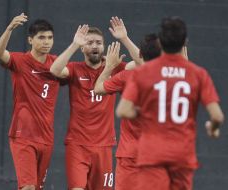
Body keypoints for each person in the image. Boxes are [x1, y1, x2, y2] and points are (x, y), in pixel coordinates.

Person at [116, 16, 224, 190]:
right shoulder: (198, 74)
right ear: (185, 42)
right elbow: (217, 115)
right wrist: (212, 128)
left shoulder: (144, 72)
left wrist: (149, 113)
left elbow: (123, 110)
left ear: (160, 43)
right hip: (182, 152)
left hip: (152, 151)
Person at [49, 22, 130, 189]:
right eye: (89, 42)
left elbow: (143, 63)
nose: (95, 46)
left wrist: (124, 38)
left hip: (104, 145)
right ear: (83, 48)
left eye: (99, 43)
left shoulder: (114, 68)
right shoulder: (75, 69)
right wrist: (75, 44)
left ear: (104, 47)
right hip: (77, 144)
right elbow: (55, 70)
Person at [0, 13, 61, 190]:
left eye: (50, 38)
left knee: (37, 187)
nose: (46, 42)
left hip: (46, 137)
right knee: (28, 187)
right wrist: (9, 29)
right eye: (41, 38)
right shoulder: (20, 61)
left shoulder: (56, 64)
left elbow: (79, 72)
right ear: (30, 40)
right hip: (23, 135)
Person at [94, 33, 161, 190]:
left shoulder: (127, 76)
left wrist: (109, 67)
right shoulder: (169, 81)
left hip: (130, 154)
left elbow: (98, 89)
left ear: (139, 54)